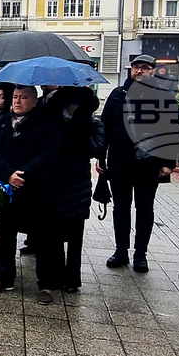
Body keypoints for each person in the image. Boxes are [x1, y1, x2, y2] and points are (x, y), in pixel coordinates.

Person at [0, 85, 60, 302]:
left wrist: (24, 174)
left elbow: (48, 155)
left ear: (35, 101)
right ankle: (4, 277)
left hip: (35, 188)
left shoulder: (46, 124)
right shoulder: (1, 123)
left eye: (24, 98)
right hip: (7, 188)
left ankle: (46, 285)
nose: (17, 101)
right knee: (6, 235)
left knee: (41, 238)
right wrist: (8, 174)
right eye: (16, 97)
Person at [98, 55, 174, 273]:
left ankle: (141, 253)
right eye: (136, 67)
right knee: (120, 208)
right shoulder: (117, 95)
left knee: (145, 209)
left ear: (152, 71)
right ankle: (121, 250)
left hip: (149, 163)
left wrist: (168, 163)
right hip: (120, 161)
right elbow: (105, 127)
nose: (139, 71)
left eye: (144, 68)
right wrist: (100, 157)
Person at [44, 87, 105, 293]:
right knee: (54, 234)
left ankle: (72, 279)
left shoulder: (92, 124)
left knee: (75, 236)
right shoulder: (52, 121)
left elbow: (96, 149)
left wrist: (79, 129)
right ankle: (56, 275)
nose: (72, 107)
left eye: (77, 103)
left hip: (78, 185)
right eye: (69, 102)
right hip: (54, 182)